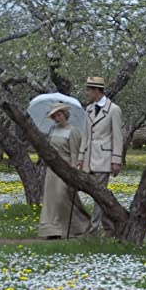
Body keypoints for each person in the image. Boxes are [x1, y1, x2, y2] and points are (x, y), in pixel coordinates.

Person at [78, 76, 124, 235]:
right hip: (89, 159)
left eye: (89, 90)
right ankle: (110, 227)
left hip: (104, 159)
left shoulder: (114, 110)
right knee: (98, 195)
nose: (88, 94)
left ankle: (93, 229)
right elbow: (85, 135)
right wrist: (80, 157)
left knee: (99, 195)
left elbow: (118, 136)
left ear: (97, 91)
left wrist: (116, 160)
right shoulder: (89, 109)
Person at [39, 104, 91, 239]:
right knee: (51, 199)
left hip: (66, 167)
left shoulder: (73, 131)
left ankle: (77, 226)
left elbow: (75, 153)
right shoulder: (52, 130)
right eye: (54, 116)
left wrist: (73, 171)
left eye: (59, 115)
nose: (57, 118)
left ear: (65, 115)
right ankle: (52, 230)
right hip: (52, 168)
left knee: (62, 196)